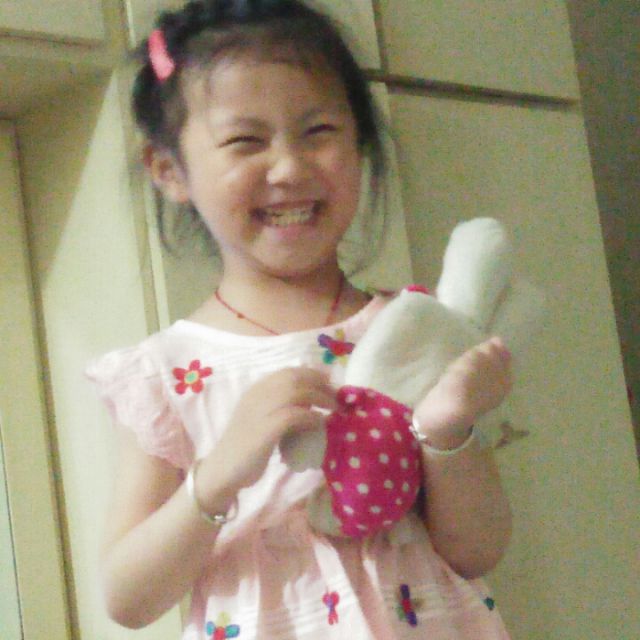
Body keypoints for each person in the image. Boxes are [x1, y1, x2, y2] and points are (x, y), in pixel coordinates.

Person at [87, 1, 513, 637]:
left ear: (359, 145)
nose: (289, 168)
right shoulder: (166, 374)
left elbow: (477, 550)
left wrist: (448, 433)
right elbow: (127, 598)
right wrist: (218, 475)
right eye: (245, 141)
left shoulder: (412, 331)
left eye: (319, 131)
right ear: (170, 171)